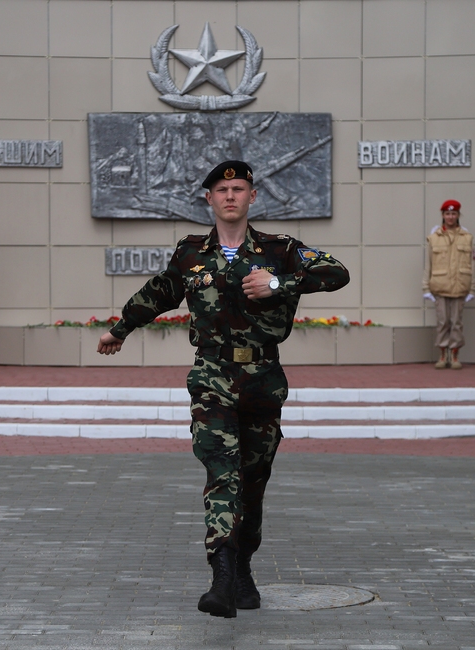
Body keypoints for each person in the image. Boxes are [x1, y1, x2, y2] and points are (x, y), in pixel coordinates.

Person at [98, 160, 350, 618]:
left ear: (252, 197)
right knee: (222, 475)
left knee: (252, 485)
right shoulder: (191, 252)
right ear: (209, 199)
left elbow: (336, 273)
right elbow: (160, 292)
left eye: (238, 189)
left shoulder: (280, 249)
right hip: (212, 377)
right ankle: (221, 578)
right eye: (221, 189)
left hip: (262, 381)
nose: (230, 196)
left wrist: (279, 283)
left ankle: (243, 570)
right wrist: (120, 329)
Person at [423, 199, 475, 370]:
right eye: (447, 214)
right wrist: (426, 287)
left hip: (460, 286)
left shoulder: (466, 237)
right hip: (440, 285)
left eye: (453, 213)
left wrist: (472, 288)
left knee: (456, 322)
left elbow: (472, 264)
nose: (450, 217)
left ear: (458, 215)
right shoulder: (434, 238)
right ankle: (443, 354)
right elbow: (428, 264)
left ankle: (454, 355)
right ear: (443, 215)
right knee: (443, 321)